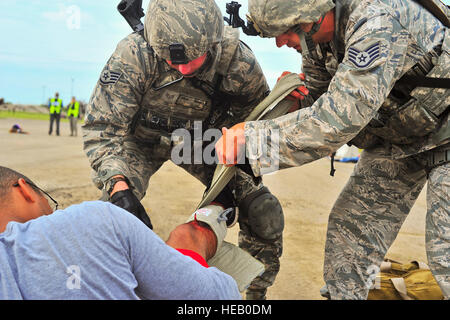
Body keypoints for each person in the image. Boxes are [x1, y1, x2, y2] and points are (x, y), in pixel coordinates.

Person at [216, 0, 450, 299]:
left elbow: (340, 118)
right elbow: (320, 98)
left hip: (446, 128)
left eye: (288, 31)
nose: (281, 42)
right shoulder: (317, 44)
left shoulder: (376, 20)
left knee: (445, 251)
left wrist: (250, 141)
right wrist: (295, 100)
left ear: (313, 16)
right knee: (350, 234)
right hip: (400, 137)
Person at [82, 0, 291, 300]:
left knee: (264, 213)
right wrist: (117, 184)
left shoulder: (237, 62)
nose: (181, 69)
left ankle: (254, 296)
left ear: (213, 41)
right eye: (171, 61)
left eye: (191, 60)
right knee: (111, 216)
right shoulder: (134, 54)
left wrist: (230, 175)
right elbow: (102, 129)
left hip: (200, 142)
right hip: (140, 141)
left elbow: (254, 129)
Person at [0, 166, 241, 300]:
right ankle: (214, 216)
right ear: (24, 190)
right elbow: (220, 296)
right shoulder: (93, 221)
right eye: (50, 202)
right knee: (186, 236)